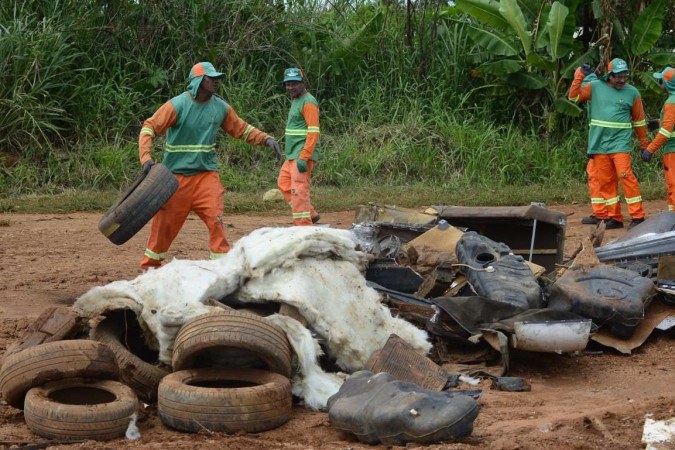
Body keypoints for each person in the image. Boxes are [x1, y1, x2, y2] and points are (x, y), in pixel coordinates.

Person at [138, 61, 282, 270]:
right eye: (210, 79)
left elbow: (241, 128)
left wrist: (266, 139)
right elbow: (149, 127)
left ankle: (221, 271)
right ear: (198, 82)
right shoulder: (177, 105)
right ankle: (149, 270)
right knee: (163, 230)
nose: (215, 82)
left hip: (207, 177)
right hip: (174, 181)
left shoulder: (220, 107)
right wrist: (146, 158)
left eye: (217, 79)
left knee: (217, 223)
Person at [568, 58, 649, 230]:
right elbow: (573, 97)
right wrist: (580, 74)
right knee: (606, 182)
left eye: (624, 76)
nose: (622, 80)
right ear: (609, 75)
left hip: (620, 144)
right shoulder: (595, 87)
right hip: (599, 145)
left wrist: (644, 145)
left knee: (626, 176)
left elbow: (639, 121)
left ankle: (638, 216)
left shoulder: (632, 93)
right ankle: (615, 218)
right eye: (618, 77)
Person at [277, 67, 321, 226]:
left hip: (301, 154)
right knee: (284, 183)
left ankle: (303, 225)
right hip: (292, 154)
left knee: (298, 190)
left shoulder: (308, 102)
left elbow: (314, 131)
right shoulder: (297, 100)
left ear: (302, 83)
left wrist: (304, 156)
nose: (290, 87)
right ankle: (311, 214)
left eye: (294, 83)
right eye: (288, 84)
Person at [642, 67, 675, 211]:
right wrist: (657, 122)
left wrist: (649, 150)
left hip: (673, 150)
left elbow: (666, 131)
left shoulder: (671, 103)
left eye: (661, 80)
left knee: (673, 184)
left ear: (667, 84)